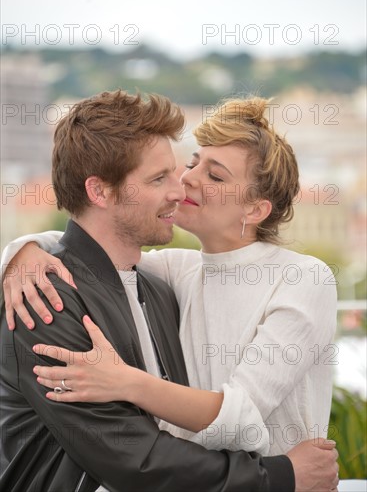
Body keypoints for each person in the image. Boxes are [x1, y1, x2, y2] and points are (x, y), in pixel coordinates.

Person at [0, 90, 339, 492]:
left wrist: (126, 381)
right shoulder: (160, 275)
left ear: (255, 209)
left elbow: (239, 418)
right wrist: (22, 251)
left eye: (214, 175)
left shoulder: (293, 277)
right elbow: (93, 247)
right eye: (185, 167)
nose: (184, 184)